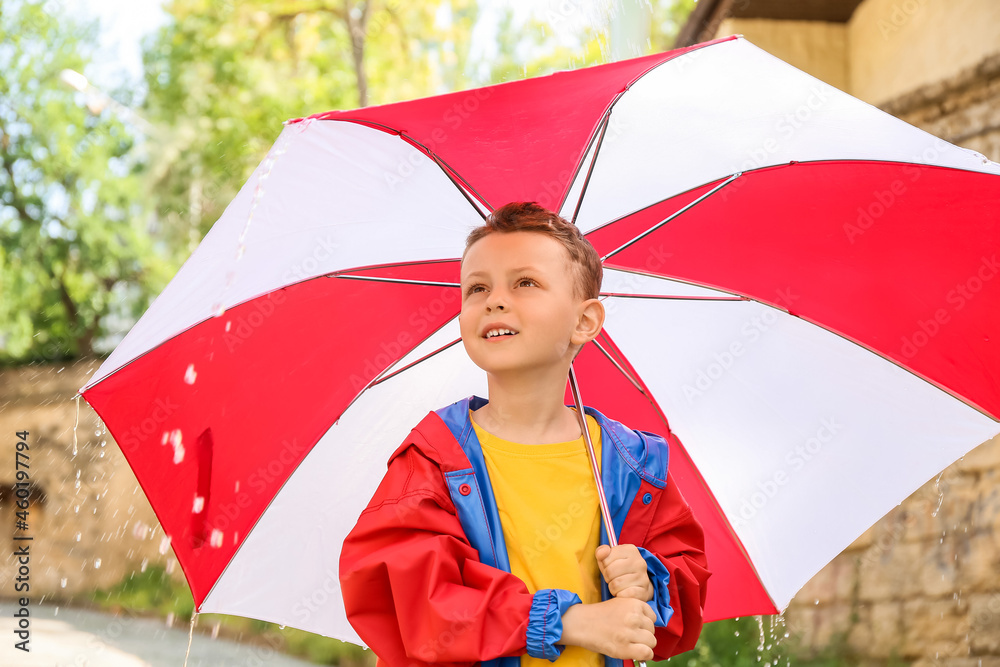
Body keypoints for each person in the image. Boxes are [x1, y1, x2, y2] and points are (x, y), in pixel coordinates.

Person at [339, 202, 711, 667]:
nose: (494, 300)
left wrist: (649, 580)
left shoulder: (631, 464)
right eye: (477, 288)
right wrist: (565, 623)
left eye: (525, 283)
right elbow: (415, 599)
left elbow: (681, 597)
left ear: (585, 321)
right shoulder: (434, 459)